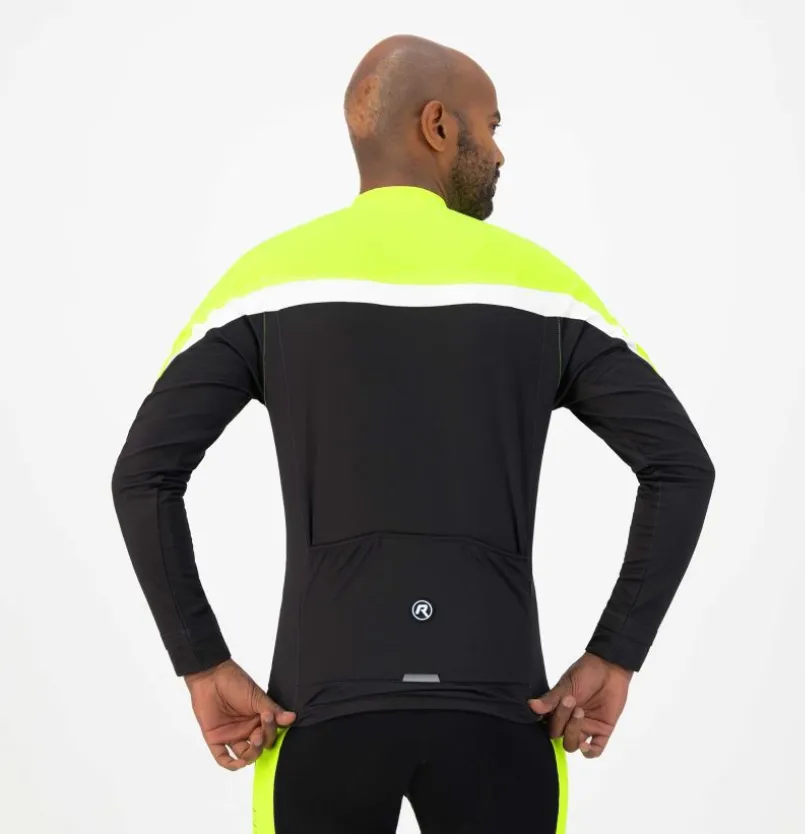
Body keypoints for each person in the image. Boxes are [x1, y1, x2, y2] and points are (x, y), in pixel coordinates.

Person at [111, 33, 715, 834]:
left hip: (319, 714)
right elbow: (681, 467)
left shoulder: (265, 284)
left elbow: (144, 476)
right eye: (490, 126)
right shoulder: (544, 290)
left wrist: (201, 660)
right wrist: (617, 651)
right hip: (503, 711)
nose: (498, 153)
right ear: (437, 125)